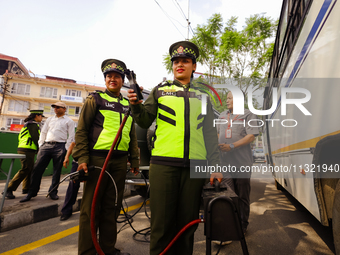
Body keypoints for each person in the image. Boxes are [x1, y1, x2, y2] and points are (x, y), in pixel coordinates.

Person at [127, 41, 221, 255]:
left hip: (195, 167)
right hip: (163, 165)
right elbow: (143, 121)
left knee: (188, 225)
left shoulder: (204, 96)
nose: (180, 65)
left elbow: (210, 135)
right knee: (161, 225)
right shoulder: (160, 90)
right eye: (176, 61)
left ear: (193, 66)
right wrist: (135, 105)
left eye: (185, 61)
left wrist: (215, 166)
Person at [73, 59, 139, 255]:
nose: (113, 79)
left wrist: (134, 159)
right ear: (105, 79)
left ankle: (108, 249)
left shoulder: (128, 104)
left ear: (121, 80)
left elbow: (132, 134)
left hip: (119, 162)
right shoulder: (95, 99)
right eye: (109, 76)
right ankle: (87, 251)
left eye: (117, 76)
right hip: (97, 160)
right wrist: (82, 158)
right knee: (91, 208)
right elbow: (82, 131)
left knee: (112, 207)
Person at [217, 91, 259, 237]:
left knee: (242, 196)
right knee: (227, 195)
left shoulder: (248, 115)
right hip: (225, 163)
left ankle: (242, 225)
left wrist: (232, 146)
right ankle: (229, 223)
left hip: (241, 163)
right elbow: (217, 134)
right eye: (227, 98)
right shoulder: (222, 115)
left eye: (230, 98)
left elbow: (251, 136)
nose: (226, 100)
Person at [20, 102, 75, 202]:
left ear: (64, 109)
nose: (56, 109)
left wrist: (65, 148)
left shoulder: (69, 121)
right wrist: (41, 145)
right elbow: (43, 132)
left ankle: (53, 192)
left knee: (56, 171)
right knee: (37, 169)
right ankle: (31, 192)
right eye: (54, 107)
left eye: (58, 107)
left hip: (60, 146)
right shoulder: (49, 119)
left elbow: (71, 136)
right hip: (46, 145)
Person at [5, 110, 44, 199]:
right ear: (37, 116)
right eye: (41, 116)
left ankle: (26, 188)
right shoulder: (32, 124)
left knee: (29, 169)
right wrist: (39, 149)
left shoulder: (28, 124)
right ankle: (8, 189)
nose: (42, 118)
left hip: (26, 149)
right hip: (27, 149)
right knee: (25, 169)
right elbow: (35, 138)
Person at [60, 141, 79, 221]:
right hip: (77, 162)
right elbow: (73, 144)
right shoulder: (82, 131)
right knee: (72, 185)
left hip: (92, 162)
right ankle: (66, 211)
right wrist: (67, 157)